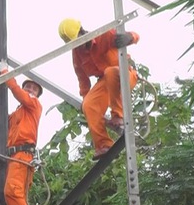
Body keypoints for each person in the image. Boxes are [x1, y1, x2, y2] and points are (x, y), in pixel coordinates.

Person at [58, 18, 140, 160]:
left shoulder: (103, 34)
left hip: (125, 74)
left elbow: (134, 35)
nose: (78, 46)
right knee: (89, 105)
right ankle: (103, 145)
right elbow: (83, 80)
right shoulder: (77, 54)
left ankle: (118, 115)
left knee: (110, 72)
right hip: (106, 82)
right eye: (74, 44)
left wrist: (129, 38)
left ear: (82, 31)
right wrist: (87, 104)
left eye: (78, 41)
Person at [0, 60, 43, 205]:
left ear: (37, 94)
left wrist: (6, 73)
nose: (29, 90)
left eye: (33, 89)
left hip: (22, 155)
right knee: (13, 195)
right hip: (15, 157)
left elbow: (19, 94)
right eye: (27, 86)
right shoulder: (17, 114)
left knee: (11, 191)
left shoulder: (34, 105)